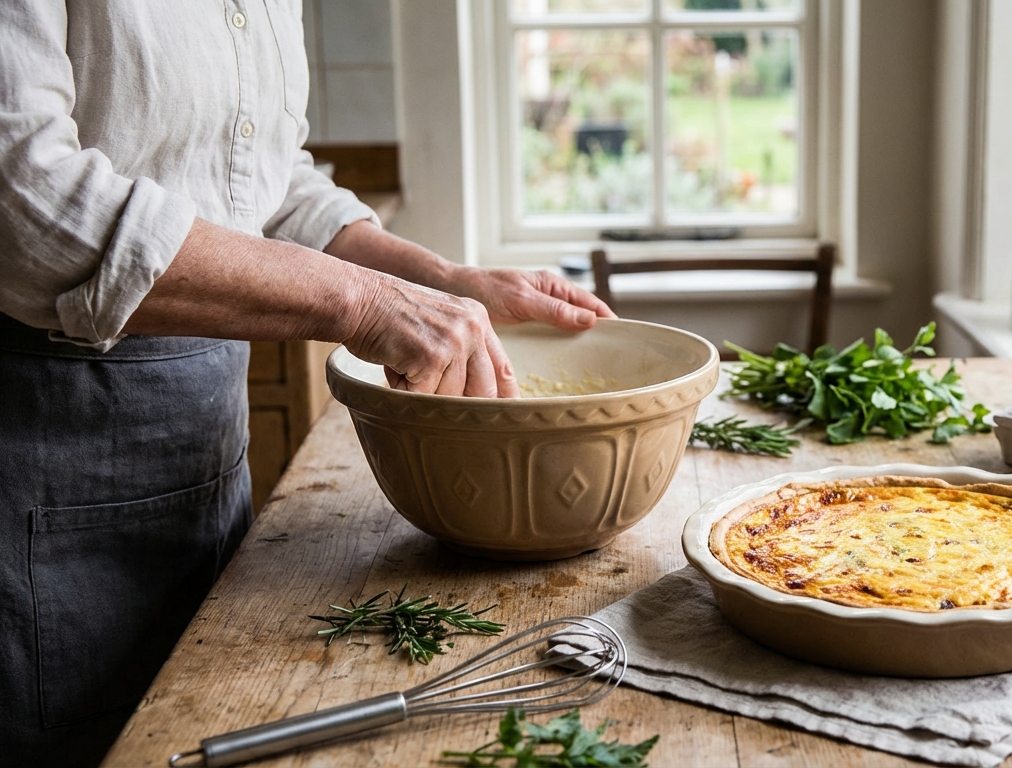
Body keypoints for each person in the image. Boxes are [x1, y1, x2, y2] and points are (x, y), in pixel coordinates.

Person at [0, 3, 614, 765]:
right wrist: (365, 302)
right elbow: (27, 204)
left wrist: (444, 280)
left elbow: (264, 187)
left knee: (189, 727)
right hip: (40, 458)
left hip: (206, 457)